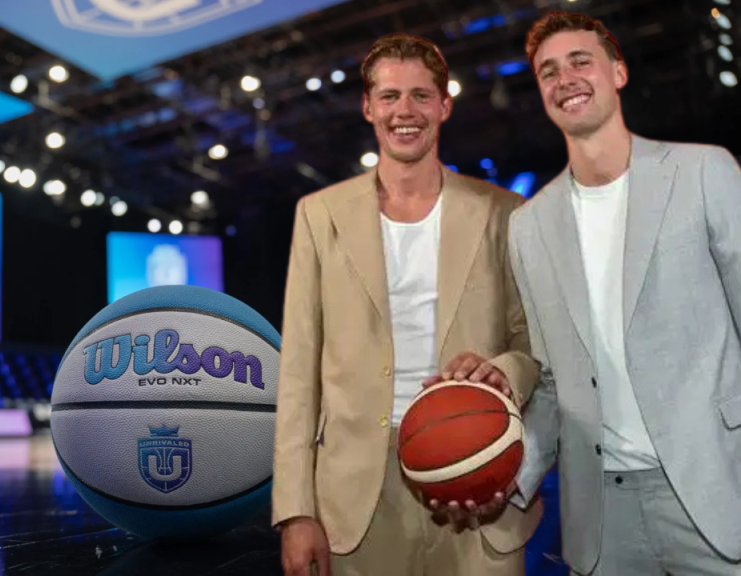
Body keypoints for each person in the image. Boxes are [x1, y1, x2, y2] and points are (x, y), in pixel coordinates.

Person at [271, 33, 544, 576]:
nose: (405, 111)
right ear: (368, 107)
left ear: (444, 105)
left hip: (476, 471)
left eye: (421, 95)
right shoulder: (319, 215)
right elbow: (299, 371)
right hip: (357, 497)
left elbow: (533, 341)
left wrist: (505, 373)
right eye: (390, 96)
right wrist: (296, 511)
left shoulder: (504, 211)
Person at [507, 10, 741, 575]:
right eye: (548, 71)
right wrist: (508, 478)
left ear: (618, 72)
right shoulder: (528, 225)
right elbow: (553, 380)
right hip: (601, 518)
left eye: (580, 61)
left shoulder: (704, 170)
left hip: (716, 492)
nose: (565, 79)